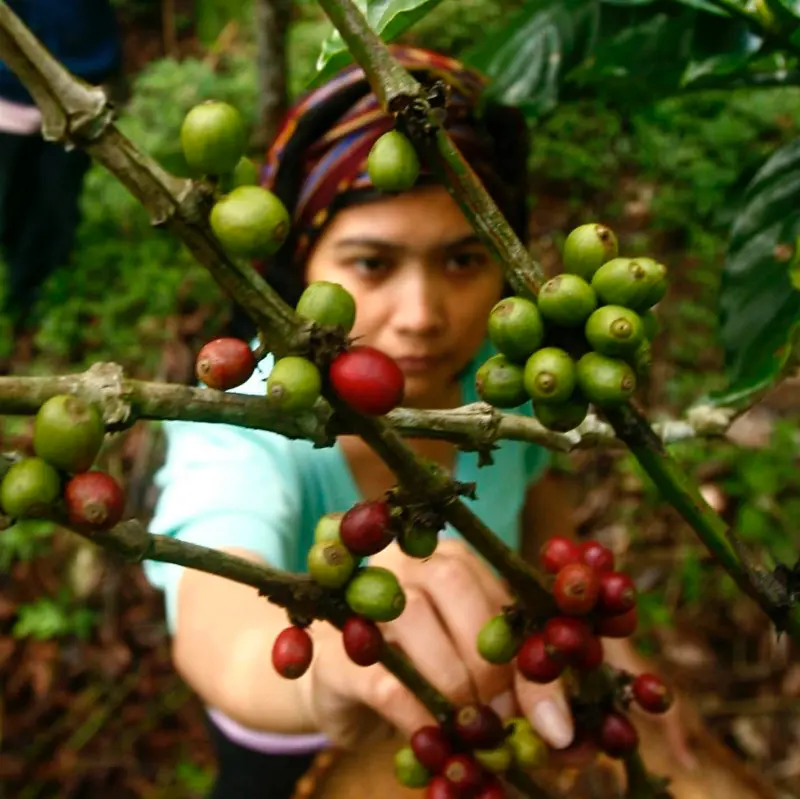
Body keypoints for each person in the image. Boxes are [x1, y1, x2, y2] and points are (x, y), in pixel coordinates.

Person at [143, 46, 693, 799]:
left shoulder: (505, 392)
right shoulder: (242, 422)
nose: (424, 316)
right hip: (292, 755)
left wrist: (585, 623)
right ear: (301, 263)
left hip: (485, 735)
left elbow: (536, 500)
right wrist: (332, 670)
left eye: (464, 261)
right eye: (371, 263)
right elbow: (218, 625)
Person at [0, 0, 122, 349]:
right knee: (11, 203)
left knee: (57, 203)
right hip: (7, 91)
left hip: (81, 82)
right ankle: (20, 300)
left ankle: (42, 300)